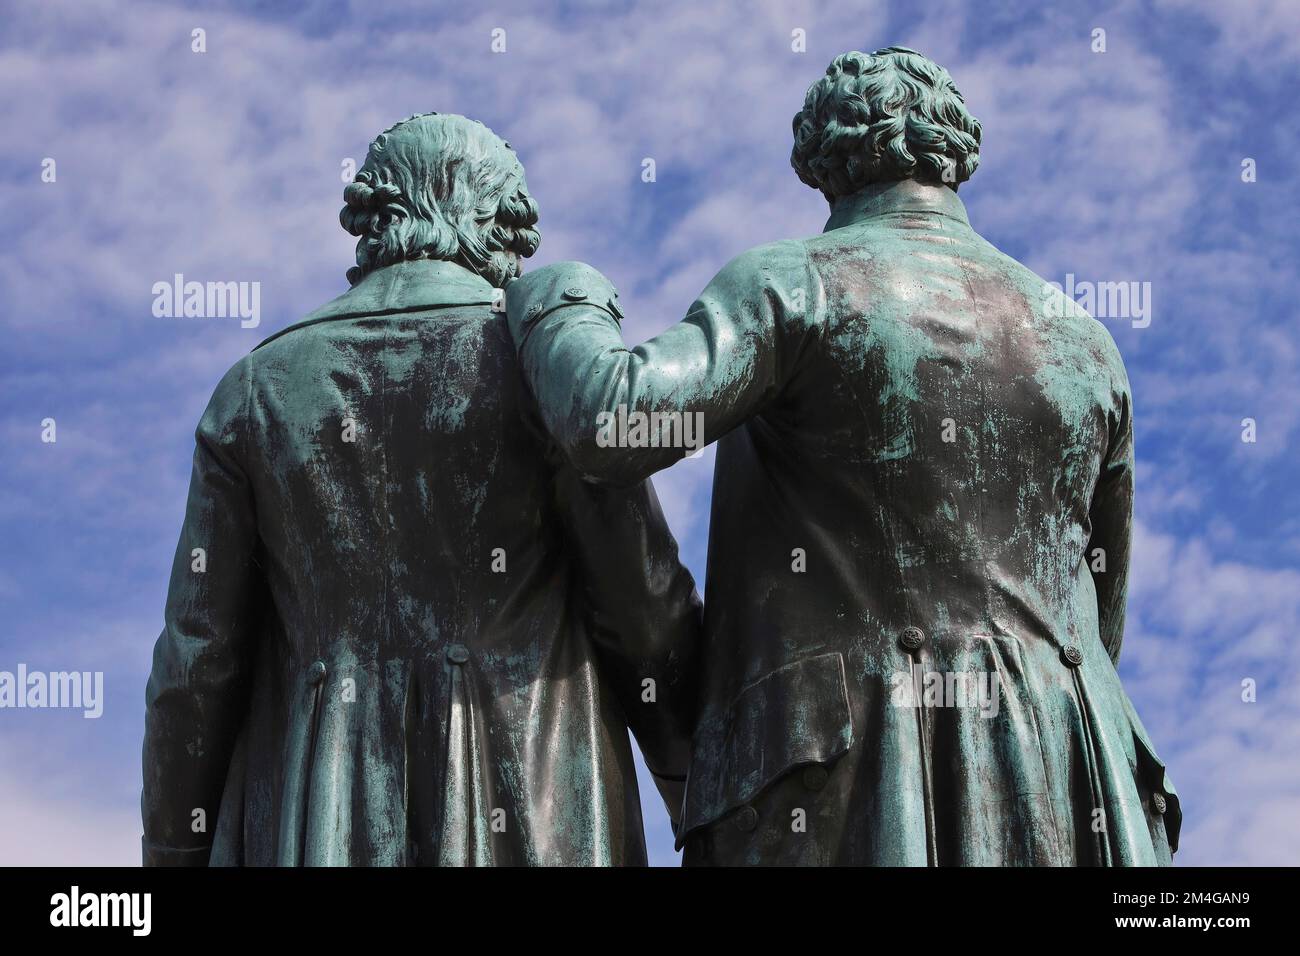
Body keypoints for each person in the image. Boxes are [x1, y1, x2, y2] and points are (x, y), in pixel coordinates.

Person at [505, 48, 1179, 865]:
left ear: (821, 158)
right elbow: (1101, 614)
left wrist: (557, 303)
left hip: (850, 767)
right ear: (955, 150)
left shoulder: (794, 284)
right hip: (1068, 772)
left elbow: (614, 423)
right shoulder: (1084, 341)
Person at [142, 113, 701, 866]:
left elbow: (196, 664)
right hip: (539, 816)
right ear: (489, 222)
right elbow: (645, 615)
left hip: (318, 822)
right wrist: (699, 794)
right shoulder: (545, 371)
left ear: (377, 219)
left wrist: (173, 851)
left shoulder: (255, 391)